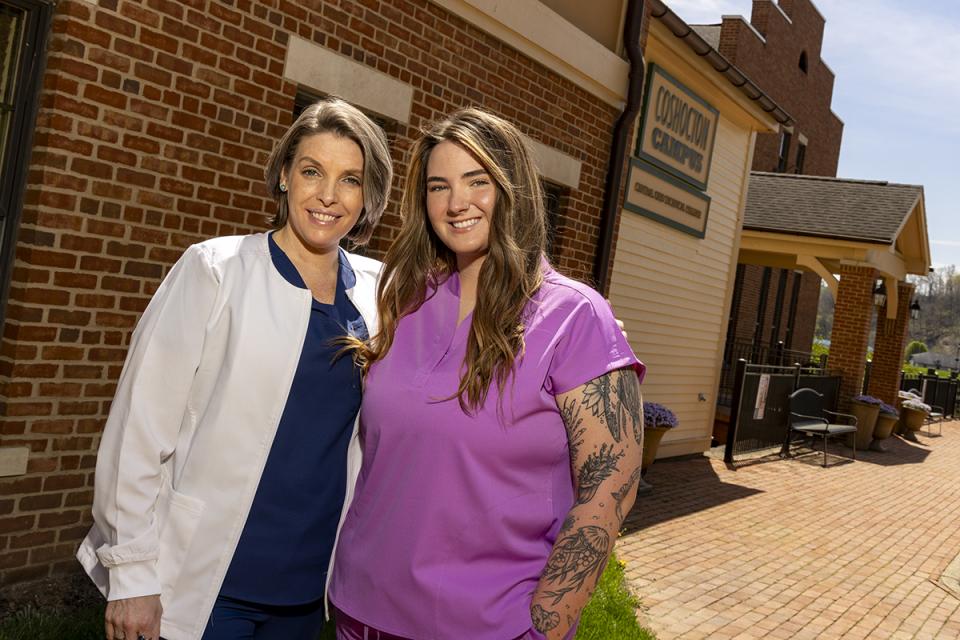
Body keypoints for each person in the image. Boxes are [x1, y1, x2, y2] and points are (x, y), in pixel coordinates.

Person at [76, 97, 393, 640]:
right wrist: (131, 574)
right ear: (284, 178)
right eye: (312, 171)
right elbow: (139, 428)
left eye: (350, 180)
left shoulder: (379, 292)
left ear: (368, 198)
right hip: (202, 582)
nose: (327, 195)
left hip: (307, 589)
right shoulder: (215, 271)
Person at [329, 108, 645, 640]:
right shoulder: (404, 299)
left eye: (478, 182)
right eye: (439, 186)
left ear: (512, 187)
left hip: (488, 624)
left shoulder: (574, 317)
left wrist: (546, 623)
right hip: (361, 611)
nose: (456, 203)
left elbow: (610, 486)